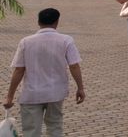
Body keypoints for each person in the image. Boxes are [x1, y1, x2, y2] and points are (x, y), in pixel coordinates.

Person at [4, 8, 85, 137]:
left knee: (31, 131)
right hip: (55, 93)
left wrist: (10, 96)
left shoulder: (26, 42)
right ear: (56, 22)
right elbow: (74, 66)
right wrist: (80, 88)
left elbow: (19, 70)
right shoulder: (66, 40)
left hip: (32, 94)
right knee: (55, 127)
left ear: (38, 22)